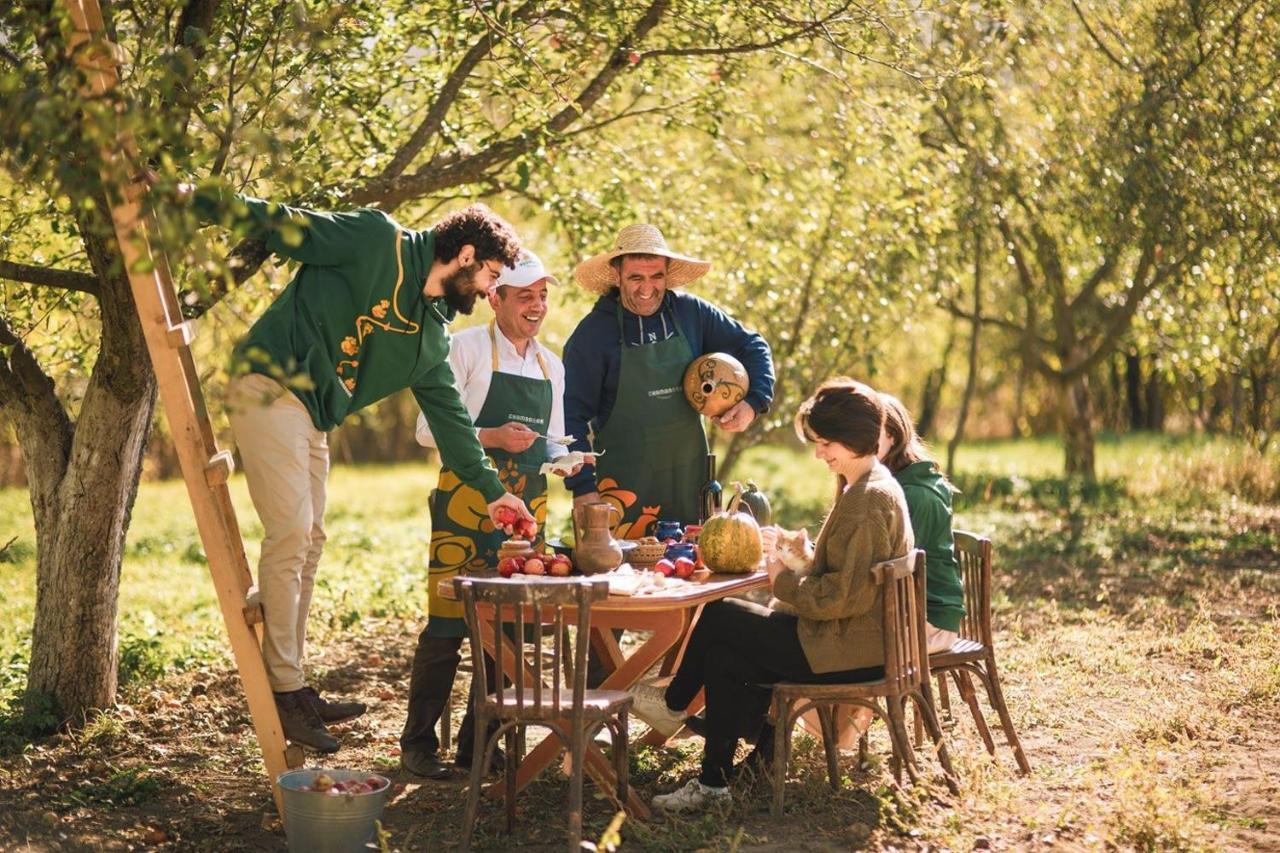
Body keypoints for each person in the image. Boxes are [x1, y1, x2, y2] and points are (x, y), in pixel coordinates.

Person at [194, 185, 537, 754]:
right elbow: (282, 222)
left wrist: (494, 492)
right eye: (492, 276)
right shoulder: (377, 242)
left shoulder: (429, 337)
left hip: (313, 416)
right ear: (468, 255)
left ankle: (293, 681)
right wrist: (191, 199)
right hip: (269, 384)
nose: (490, 290)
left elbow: (452, 426)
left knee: (312, 540)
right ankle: (285, 688)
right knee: (292, 534)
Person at [631, 379, 914, 812]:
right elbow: (849, 574)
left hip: (846, 648)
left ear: (854, 437)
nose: (819, 454)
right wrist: (802, 557)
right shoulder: (869, 484)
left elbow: (842, 599)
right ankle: (715, 785)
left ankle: (672, 705)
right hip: (843, 639)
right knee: (725, 659)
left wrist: (780, 578)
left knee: (722, 613)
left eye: (825, 443)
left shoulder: (869, 499)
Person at [399, 251, 587, 778]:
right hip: (464, 504)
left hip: (528, 510)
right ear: (495, 297)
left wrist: (565, 461)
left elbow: (553, 441)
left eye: (543, 296)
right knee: (447, 625)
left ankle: (480, 744)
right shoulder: (462, 349)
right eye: (525, 295)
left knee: (510, 631)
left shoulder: (554, 364)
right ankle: (417, 747)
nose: (537, 305)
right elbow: (424, 431)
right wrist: (492, 437)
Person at [562, 224, 774, 537]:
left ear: (666, 274)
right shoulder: (592, 336)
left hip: (689, 483)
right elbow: (569, 419)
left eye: (656, 276)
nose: (647, 288)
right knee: (629, 583)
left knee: (693, 575)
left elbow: (752, 346)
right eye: (636, 277)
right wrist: (582, 489)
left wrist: (753, 403)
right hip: (622, 492)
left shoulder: (691, 313)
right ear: (617, 276)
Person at [877, 393, 966, 653]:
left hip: (927, 622)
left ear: (892, 436)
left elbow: (899, 567)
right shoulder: (897, 483)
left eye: (872, 432)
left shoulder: (916, 494)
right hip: (909, 609)